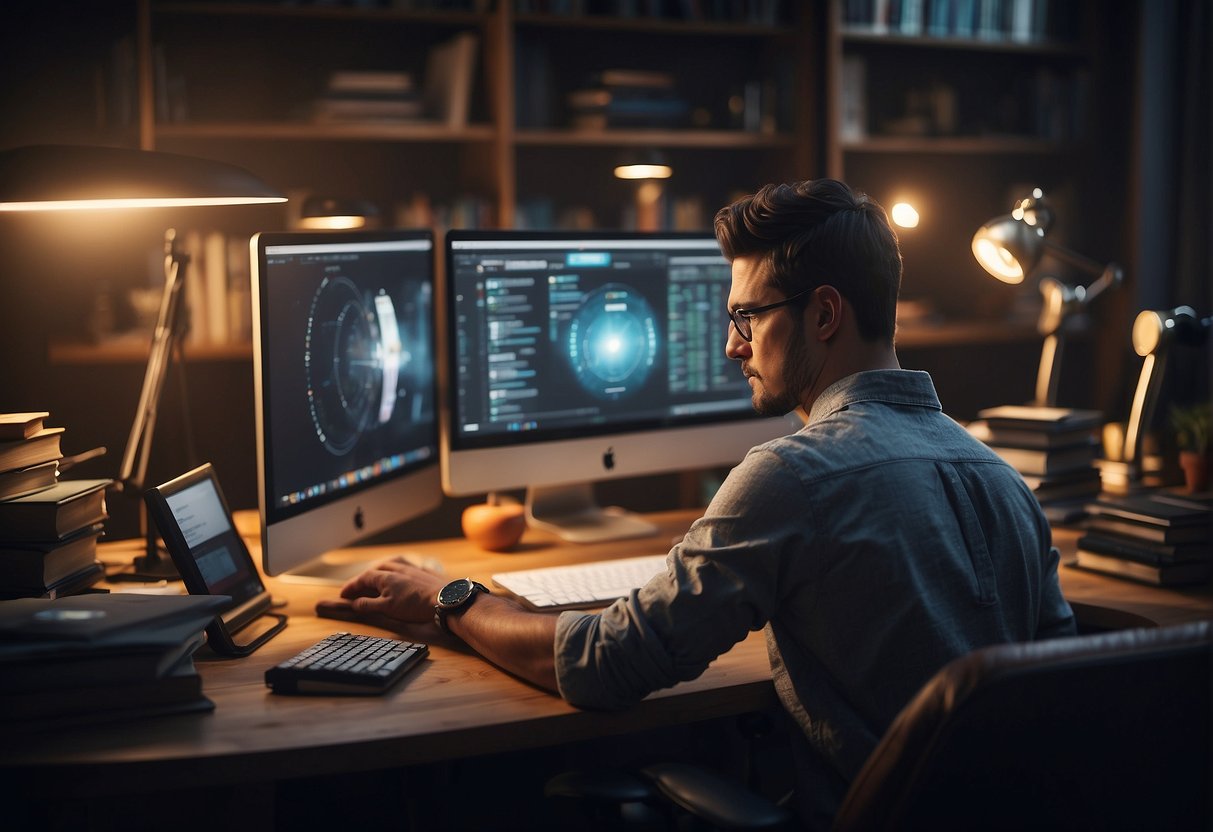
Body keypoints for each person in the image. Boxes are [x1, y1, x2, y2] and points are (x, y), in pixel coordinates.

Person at [317, 178, 1076, 828]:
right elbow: (1055, 688)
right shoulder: (1004, 481)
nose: (730, 347)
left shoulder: (793, 475)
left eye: (747, 317)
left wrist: (453, 598)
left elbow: (606, 663)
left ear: (822, 314)